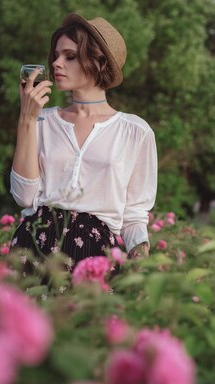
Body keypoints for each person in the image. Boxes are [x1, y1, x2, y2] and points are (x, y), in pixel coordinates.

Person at [9, 13, 157, 270]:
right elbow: (24, 197)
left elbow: (134, 216)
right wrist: (26, 118)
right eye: (56, 55)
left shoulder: (135, 131)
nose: (56, 63)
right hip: (33, 247)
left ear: (98, 62)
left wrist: (141, 274)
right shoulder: (41, 120)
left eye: (69, 56)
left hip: (95, 255)